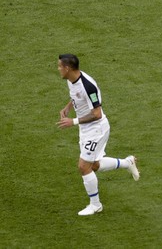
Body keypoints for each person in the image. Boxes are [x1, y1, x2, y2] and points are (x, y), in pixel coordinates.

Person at [56, 54, 140, 216]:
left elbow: (97, 114)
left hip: (96, 129)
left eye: (60, 66)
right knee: (93, 165)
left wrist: (72, 121)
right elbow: (76, 95)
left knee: (83, 166)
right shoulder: (71, 79)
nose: (58, 69)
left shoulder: (88, 86)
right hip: (86, 129)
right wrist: (68, 107)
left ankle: (96, 205)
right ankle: (127, 162)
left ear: (67, 68)